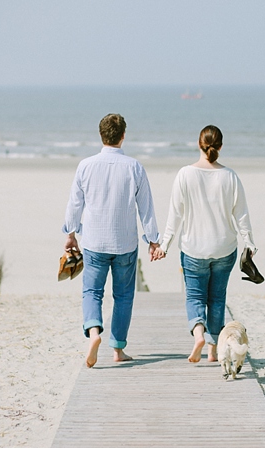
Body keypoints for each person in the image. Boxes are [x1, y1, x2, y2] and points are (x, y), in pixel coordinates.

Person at [63, 113, 161, 368]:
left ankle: (94, 333)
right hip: (125, 243)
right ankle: (117, 349)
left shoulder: (85, 165)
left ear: (101, 135)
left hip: (94, 241)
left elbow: (75, 204)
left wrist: (71, 233)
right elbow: (146, 208)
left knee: (92, 291)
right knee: (124, 295)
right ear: (123, 136)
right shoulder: (134, 167)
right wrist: (153, 240)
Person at [154, 125, 257, 363]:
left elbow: (175, 215)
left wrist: (164, 244)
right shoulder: (230, 176)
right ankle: (213, 349)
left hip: (194, 249)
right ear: (220, 146)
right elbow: (241, 215)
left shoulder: (185, 174)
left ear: (198, 144)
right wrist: (249, 242)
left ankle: (198, 335)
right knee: (217, 298)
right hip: (224, 248)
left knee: (195, 297)